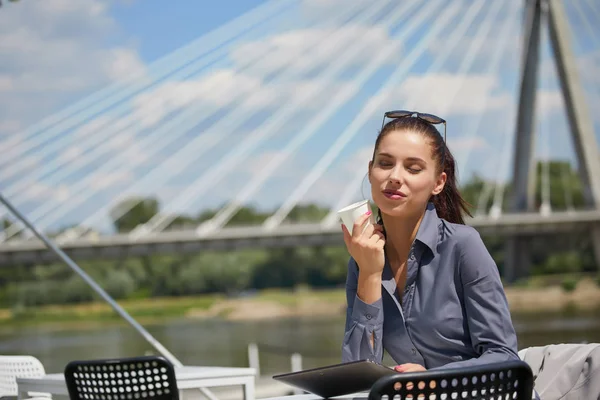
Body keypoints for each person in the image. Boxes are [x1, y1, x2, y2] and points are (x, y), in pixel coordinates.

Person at [341, 110, 520, 373]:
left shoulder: (463, 246)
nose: (395, 177)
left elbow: (504, 356)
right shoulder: (363, 260)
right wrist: (369, 273)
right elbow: (357, 372)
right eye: (385, 163)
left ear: (438, 182)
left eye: (413, 168)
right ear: (370, 172)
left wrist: (434, 380)